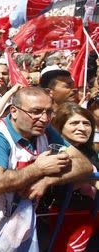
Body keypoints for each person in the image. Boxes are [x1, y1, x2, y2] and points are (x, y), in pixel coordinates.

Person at [0, 87, 93, 250]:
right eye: (36, 112)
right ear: (14, 111)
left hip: (27, 225)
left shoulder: (46, 132)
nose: (44, 118)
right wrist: (39, 168)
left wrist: (47, 180)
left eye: (49, 112)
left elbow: (84, 165)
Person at [49, 103, 99, 252]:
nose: (82, 128)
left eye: (86, 123)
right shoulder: (51, 150)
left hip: (84, 219)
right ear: (60, 126)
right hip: (52, 219)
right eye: (74, 123)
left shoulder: (91, 153)